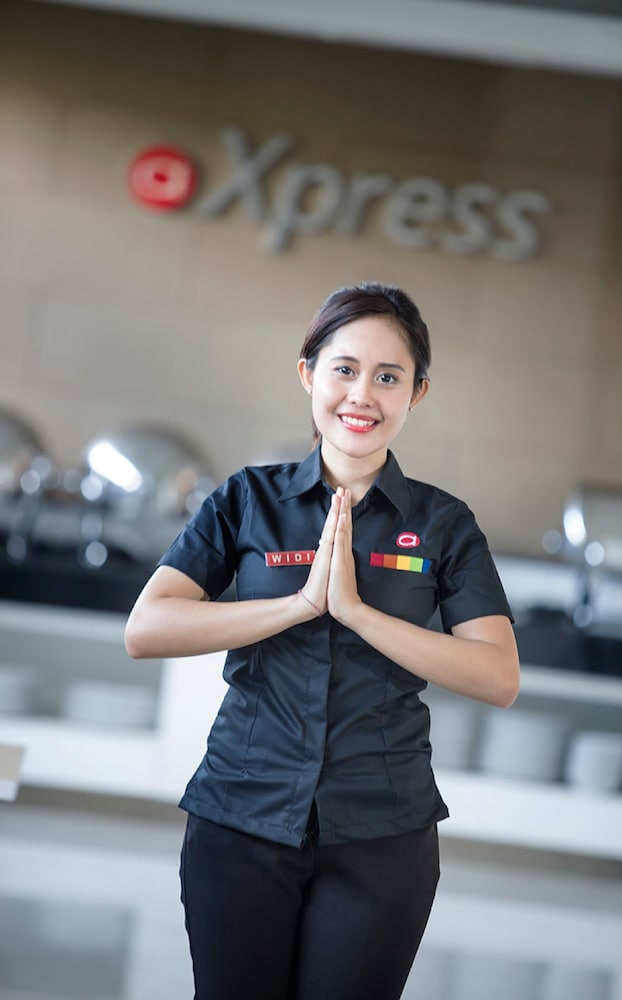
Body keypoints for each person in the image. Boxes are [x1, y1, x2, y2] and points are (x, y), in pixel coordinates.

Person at [124, 282, 520, 1000]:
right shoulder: (247, 499)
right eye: (344, 369)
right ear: (308, 374)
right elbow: (147, 628)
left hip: (382, 835)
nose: (362, 395)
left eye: (388, 377)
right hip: (241, 817)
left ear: (417, 393)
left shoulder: (444, 524)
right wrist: (299, 606)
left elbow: (498, 676)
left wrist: (359, 613)